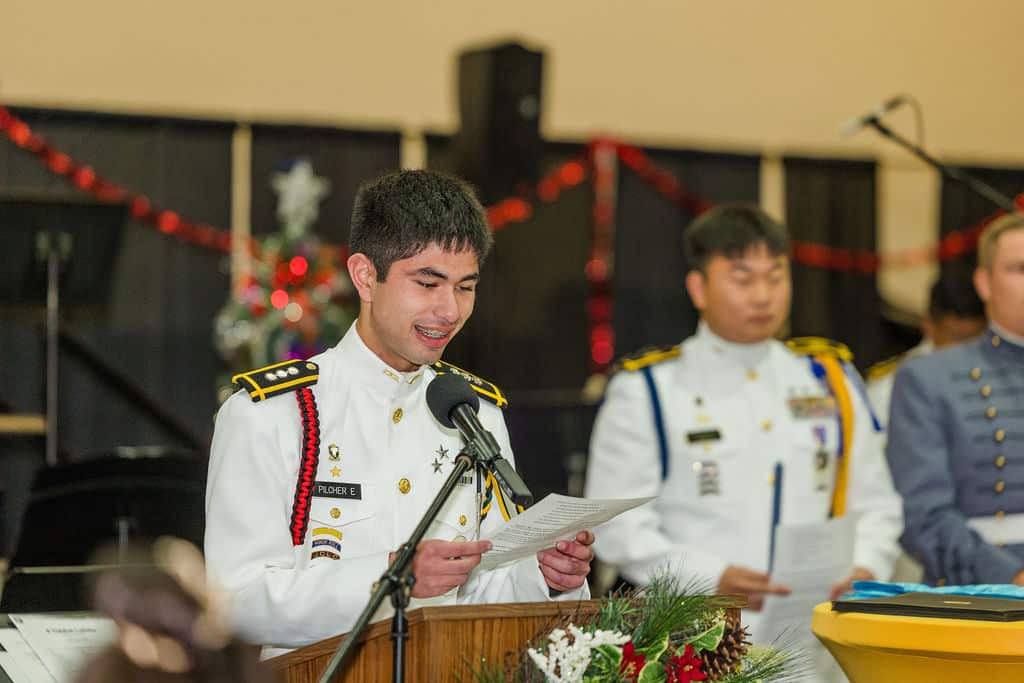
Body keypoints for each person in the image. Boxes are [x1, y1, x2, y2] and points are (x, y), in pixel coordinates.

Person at [205, 170, 593, 654]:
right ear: (365, 276)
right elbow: (232, 605)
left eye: (465, 287)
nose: (449, 310)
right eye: (427, 283)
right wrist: (393, 577)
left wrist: (545, 576)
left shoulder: (474, 411)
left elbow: (486, 587)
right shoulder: (271, 415)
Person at [584, 204, 902, 637]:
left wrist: (866, 565)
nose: (763, 295)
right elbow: (616, 525)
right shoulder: (650, 390)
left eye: (776, 277)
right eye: (742, 278)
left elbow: (878, 503)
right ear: (698, 288)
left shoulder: (829, 381)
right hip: (694, 631)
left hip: (816, 636)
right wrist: (707, 577)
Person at [887, 212, 1024, 586]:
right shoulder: (928, 379)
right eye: (1019, 269)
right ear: (984, 282)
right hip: (980, 597)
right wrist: (1011, 576)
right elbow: (923, 516)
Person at [866, 271, 986, 427]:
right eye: (955, 338)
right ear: (929, 325)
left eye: (975, 339)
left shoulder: (1004, 376)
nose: (965, 351)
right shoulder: (888, 389)